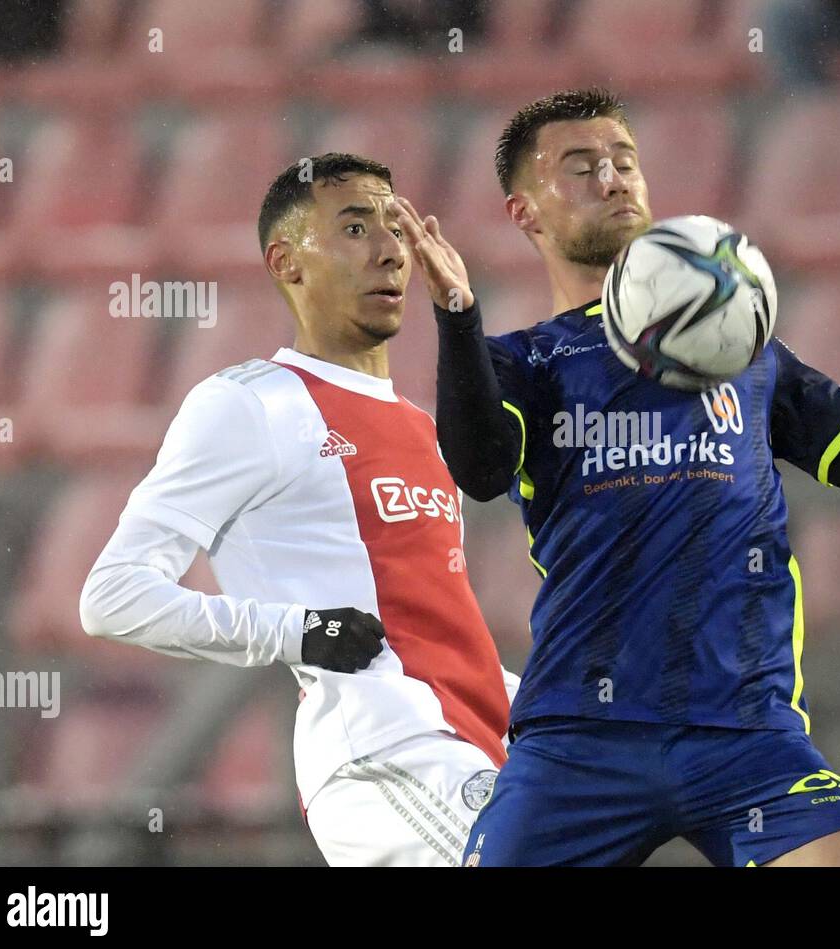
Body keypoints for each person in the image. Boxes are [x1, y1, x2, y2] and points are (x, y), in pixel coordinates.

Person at [395, 87, 840, 866]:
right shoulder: (524, 365)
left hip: (745, 735)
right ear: (524, 213)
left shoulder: (748, 356)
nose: (613, 179)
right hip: (581, 739)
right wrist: (458, 319)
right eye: (580, 168)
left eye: (624, 160)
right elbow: (477, 470)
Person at [80, 152, 517, 867]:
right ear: (287, 262)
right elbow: (113, 597)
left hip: (485, 753)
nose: (387, 249)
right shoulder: (248, 405)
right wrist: (299, 632)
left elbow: (440, 636)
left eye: (393, 227)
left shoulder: (423, 429)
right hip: (385, 759)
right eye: (353, 228)